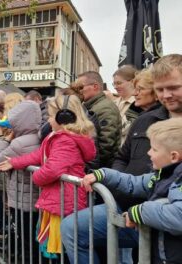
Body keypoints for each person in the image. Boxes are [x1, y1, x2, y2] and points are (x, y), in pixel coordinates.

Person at [61, 53, 182, 264]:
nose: (166, 95)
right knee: (71, 228)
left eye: (173, 88)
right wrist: (114, 185)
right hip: (127, 206)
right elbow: (122, 156)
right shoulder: (144, 120)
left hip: (162, 220)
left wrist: (145, 211)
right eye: (161, 89)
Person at [68, 118, 182, 264]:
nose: (148, 153)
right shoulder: (163, 174)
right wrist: (104, 174)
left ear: (173, 156)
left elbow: (179, 215)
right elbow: (134, 183)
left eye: (154, 149)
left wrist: (140, 212)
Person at [0, 95, 96, 260]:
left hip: (63, 203)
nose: (48, 120)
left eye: (51, 116)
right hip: (60, 201)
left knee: (58, 252)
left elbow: (51, 170)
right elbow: (40, 154)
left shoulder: (64, 140)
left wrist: (35, 177)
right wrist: (16, 162)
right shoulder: (61, 136)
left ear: (63, 116)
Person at [0, 100, 42, 263]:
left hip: (22, 202)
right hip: (37, 200)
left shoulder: (19, 142)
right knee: (35, 242)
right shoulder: (41, 137)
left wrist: (5, 140)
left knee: (26, 242)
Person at [77, 71, 121, 167]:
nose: (79, 91)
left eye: (81, 87)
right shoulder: (89, 106)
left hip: (101, 169)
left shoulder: (105, 108)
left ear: (95, 86)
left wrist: (91, 166)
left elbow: (107, 144)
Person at [112, 65, 137, 144]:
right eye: (114, 84)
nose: (115, 87)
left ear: (132, 82)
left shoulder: (138, 104)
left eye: (119, 83)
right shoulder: (113, 103)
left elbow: (124, 129)